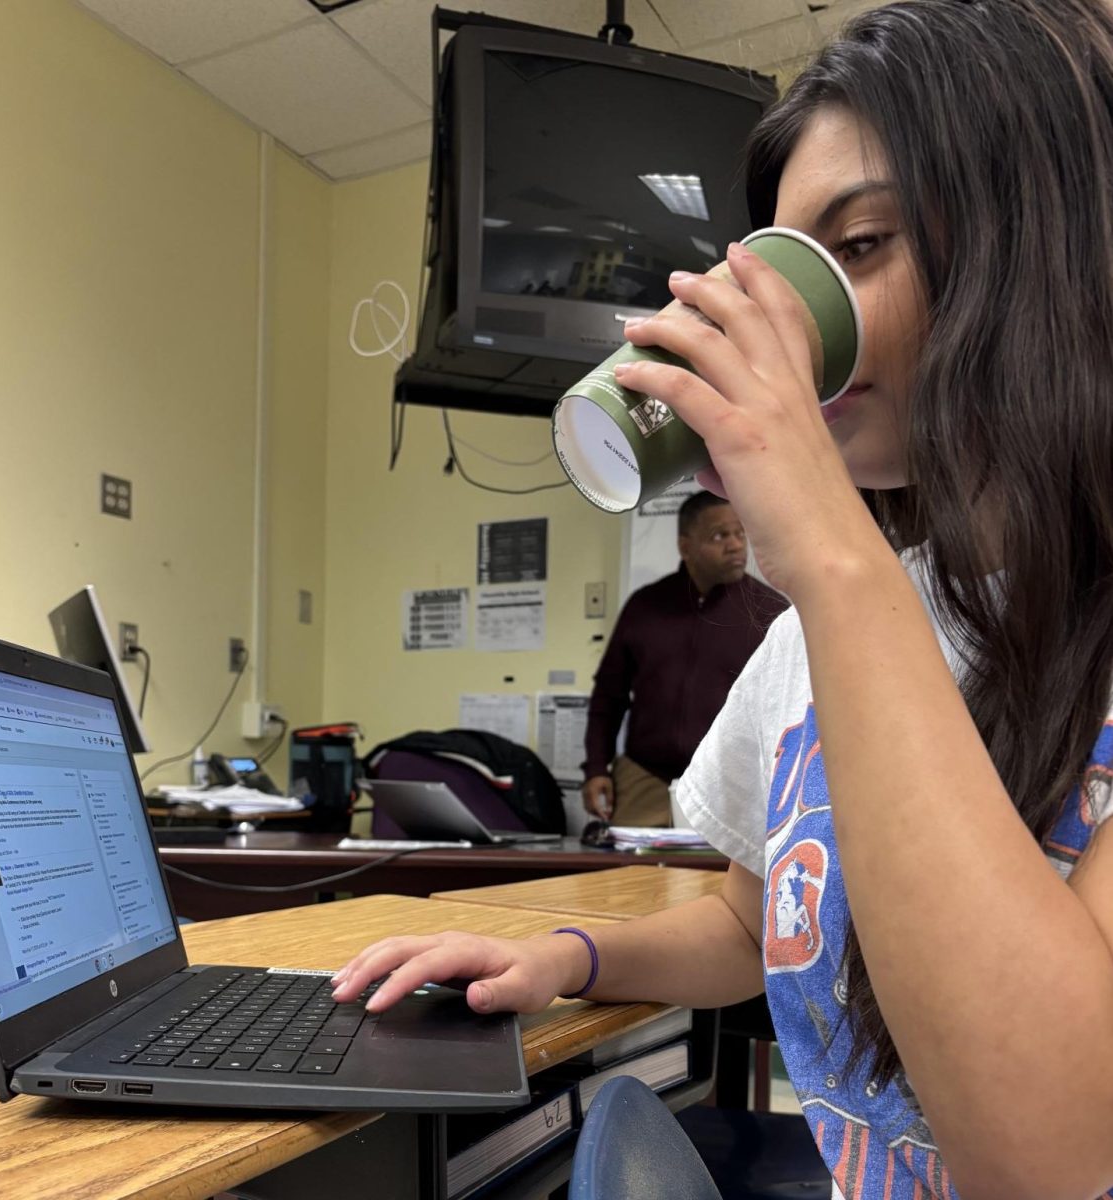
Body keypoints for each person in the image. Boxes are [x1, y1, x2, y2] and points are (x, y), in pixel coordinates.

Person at [332, 3, 1113, 1196]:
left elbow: (1052, 1153)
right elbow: (754, 925)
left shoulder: (834, 596)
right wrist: (560, 956)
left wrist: (824, 550)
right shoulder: (815, 635)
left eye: (854, 247)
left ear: (1044, 243)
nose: (780, 322)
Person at [582, 491, 786, 825]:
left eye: (740, 533)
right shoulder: (645, 607)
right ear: (685, 546)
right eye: (720, 535)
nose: (736, 545)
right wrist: (595, 767)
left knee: (717, 877)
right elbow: (609, 695)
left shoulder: (769, 612)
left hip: (729, 782)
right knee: (628, 874)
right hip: (646, 776)